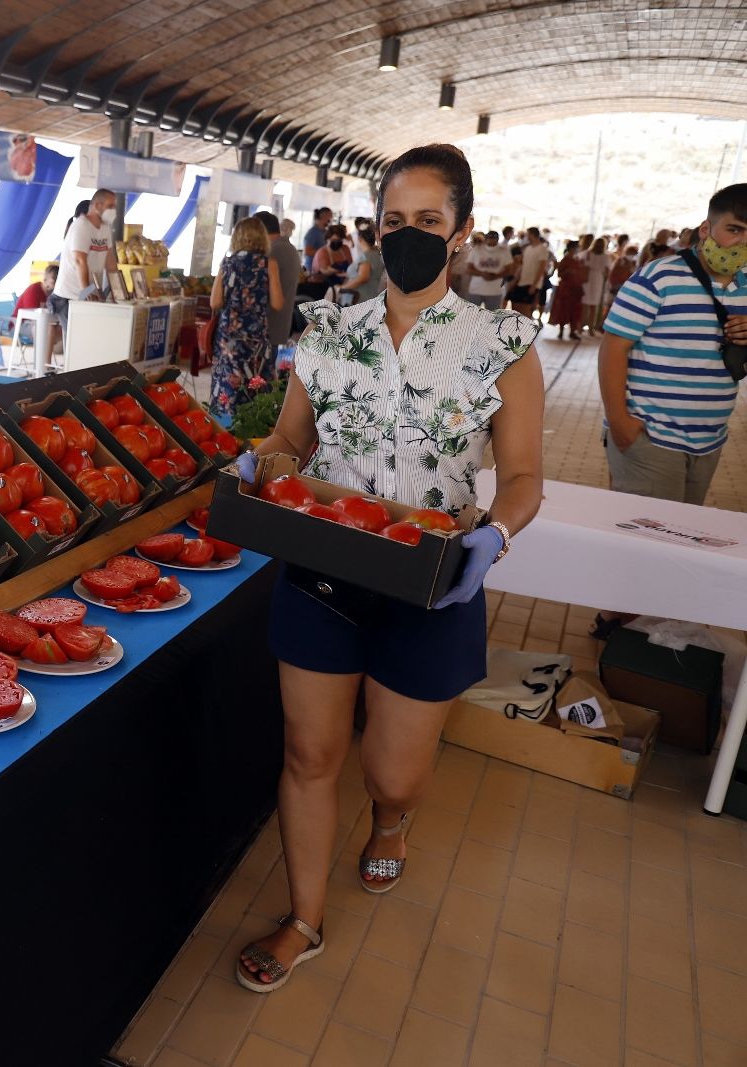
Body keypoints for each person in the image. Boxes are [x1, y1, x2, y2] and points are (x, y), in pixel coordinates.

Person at [232, 143, 544, 993]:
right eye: (394, 220)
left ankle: (394, 821)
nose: (408, 236)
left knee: (394, 771)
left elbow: (520, 476)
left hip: (433, 576)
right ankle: (304, 917)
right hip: (324, 564)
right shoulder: (328, 328)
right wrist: (259, 463)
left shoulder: (505, 344)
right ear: (375, 227)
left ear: (464, 232)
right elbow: (293, 440)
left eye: (429, 222)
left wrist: (497, 535)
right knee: (309, 750)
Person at [599, 183, 747, 506]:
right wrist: (621, 423)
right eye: (735, 229)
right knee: (645, 543)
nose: (742, 243)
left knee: (679, 540)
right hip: (651, 438)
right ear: (706, 229)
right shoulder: (657, 278)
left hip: (709, 441)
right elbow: (613, 347)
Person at [208, 216, 283, 419]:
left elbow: (214, 302)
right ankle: (252, 430)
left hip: (229, 339)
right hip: (256, 338)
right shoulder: (269, 264)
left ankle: (223, 428)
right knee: (255, 384)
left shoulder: (228, 262)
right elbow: (278, 303)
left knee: (228, 384)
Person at [51, 190, 118, 326]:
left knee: (87, 339)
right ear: (97, 205)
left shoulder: (105, 229)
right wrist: (86, 291)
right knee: (75, 340)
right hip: (70, 295)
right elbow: (79, 260)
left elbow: (111, 263)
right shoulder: (81, 226)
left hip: (89, 294)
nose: (113, 211)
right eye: (110, 206)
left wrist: (118, 290)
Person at [255, 210, 301, 359]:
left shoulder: (272, 251)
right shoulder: (290, 249)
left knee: (257, 378)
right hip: (280, 324)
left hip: (267, 326)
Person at [14, 263, 62, 354]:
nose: (56, 284)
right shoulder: (33, 290)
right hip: (21, 323)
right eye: (54, 280)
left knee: (59, 328)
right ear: (45, 279)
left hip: (42, 323)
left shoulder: (53, 294)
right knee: (40, 328)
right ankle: (40, 363)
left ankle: (46, 361)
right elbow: (32, 316)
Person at [549, 239, 586, 339]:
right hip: (566, 289)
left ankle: (572, 331)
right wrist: (569, 272)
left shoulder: (578, 260)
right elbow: (560, 274)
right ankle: (561, 331)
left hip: (576, 289)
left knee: (575, 310)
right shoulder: (565, 260)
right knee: (563, 309)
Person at [512, 227, 551, 317]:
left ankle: (527, 329)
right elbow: (523, 264)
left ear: (532, 235)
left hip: (532, 283)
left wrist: (534, 285)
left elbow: (541, 268)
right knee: (517, 306)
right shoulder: (528, 248)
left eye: (528, 235)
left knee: (527, 308)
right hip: (523, 281)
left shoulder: (542, 248)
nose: (526, 237)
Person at [339, 227, 384, 304]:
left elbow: (363, 277)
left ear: (360, 239)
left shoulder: (365, 256)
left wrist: (342, 288)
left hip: (359, 299)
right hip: (372, 295)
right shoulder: (378, 254)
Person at [466, 231, 510, 309]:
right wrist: (481, 273)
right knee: (471, 315)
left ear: (497, 239)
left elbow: (509, 270)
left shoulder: (503, 251)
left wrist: (496, 276)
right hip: (476, 290)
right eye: (490, 238)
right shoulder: (476, 250)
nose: (492, 240)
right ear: (486, 239)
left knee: (492, 317)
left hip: (494, 291)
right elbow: (468, 269)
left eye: (494, 238)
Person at [582, 237, 614, 333]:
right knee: (592, 306)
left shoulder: (589, 254)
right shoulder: (604, 256)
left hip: (590, 278)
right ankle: (589, 327)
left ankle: (582, 327)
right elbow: (608, 271)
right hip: (597, 279)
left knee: (587, 305)